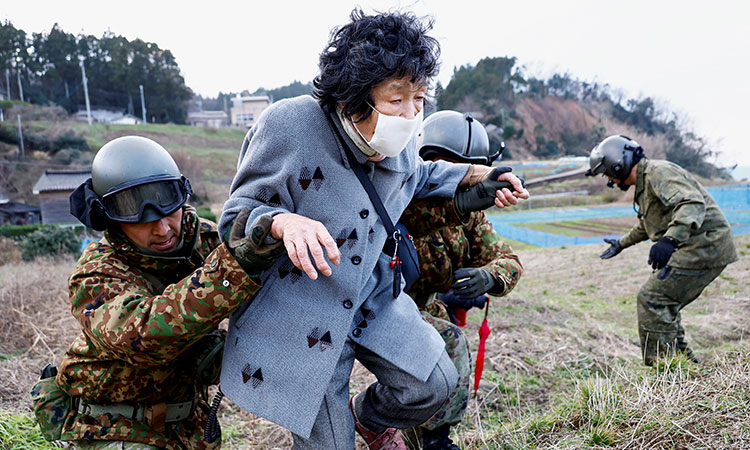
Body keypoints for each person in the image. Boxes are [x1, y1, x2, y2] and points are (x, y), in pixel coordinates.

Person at [217, 9, 528, 450]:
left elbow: (417, 175)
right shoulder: (288, 126)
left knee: (436, 382)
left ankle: (365, 419)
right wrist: (283, 221)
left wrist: (470, 177)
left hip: (371, 291)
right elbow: (235, 217)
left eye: (418, 98)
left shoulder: (399, 142)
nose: (410, 113)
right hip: (303, 305)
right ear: (352, 97)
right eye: (396, 99)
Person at [40, 136, 283, 449]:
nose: (163, 230)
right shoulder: (95, 273)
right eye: (141, 220)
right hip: (111, 427)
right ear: (109, 217)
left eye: (170, 211)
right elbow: (143, 337)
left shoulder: (204, 240)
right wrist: (230, 271)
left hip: (188, 427)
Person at [398, 111, 524, 450]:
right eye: (445, 167)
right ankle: (434, 440)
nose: (455, 178)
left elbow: (508, 260)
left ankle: (425, 439)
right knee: (448, 348)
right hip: (386, 307)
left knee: (430, 384)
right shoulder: (397, 195)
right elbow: (412, 219)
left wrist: (489, 277)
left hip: (429, 308)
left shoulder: (472, 215)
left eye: (465, 172)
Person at [587, 135, 737, 366]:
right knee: (663, 302)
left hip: (705, 245)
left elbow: (691, 203)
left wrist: (670, 240)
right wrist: (621, 244)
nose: (609, 180)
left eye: (607, 173)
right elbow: (649, 223)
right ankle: (683, 366)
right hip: (697, 245)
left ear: (617, 165)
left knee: (653, 299)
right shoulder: (647, 180)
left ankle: (667, 371)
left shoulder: (659, 172)